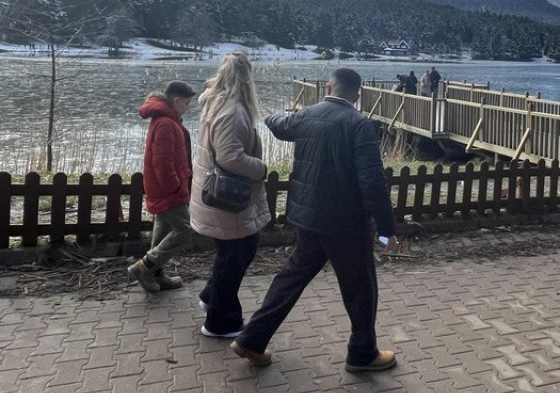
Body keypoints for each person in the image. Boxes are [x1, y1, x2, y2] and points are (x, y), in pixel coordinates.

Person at [230, 68, 399, 372]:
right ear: (357, 95)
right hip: (346, 225)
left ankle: (251, 339)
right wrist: (387, 231)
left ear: (327, 89)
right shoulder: (359, 124)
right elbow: (373, 183)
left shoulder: (306, 115)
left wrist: (270, 115)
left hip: (307, 219)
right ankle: (362, 355)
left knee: (290, 280)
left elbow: (280, 126)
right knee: (361, 289)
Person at [189, 52, 270, 338]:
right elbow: (230, 157)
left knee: (235, 252)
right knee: (235, 255)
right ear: (246, 77)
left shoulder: (216, 101)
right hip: (226, 201)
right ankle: (221, 321)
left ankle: (211, 297)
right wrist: (261, 168)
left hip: (218, 198)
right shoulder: (232, 111)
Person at [128, 81, 198, 294]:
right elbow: (163, 162)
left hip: (164, 188)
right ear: (176, 101)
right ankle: (145, 267)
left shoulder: (166, 120)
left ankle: (155, 273)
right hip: (168, 189)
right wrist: (176, 188)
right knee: (185, 229)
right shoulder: (166, 124)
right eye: (186, 103)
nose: (187, 107)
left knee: (163, 228)